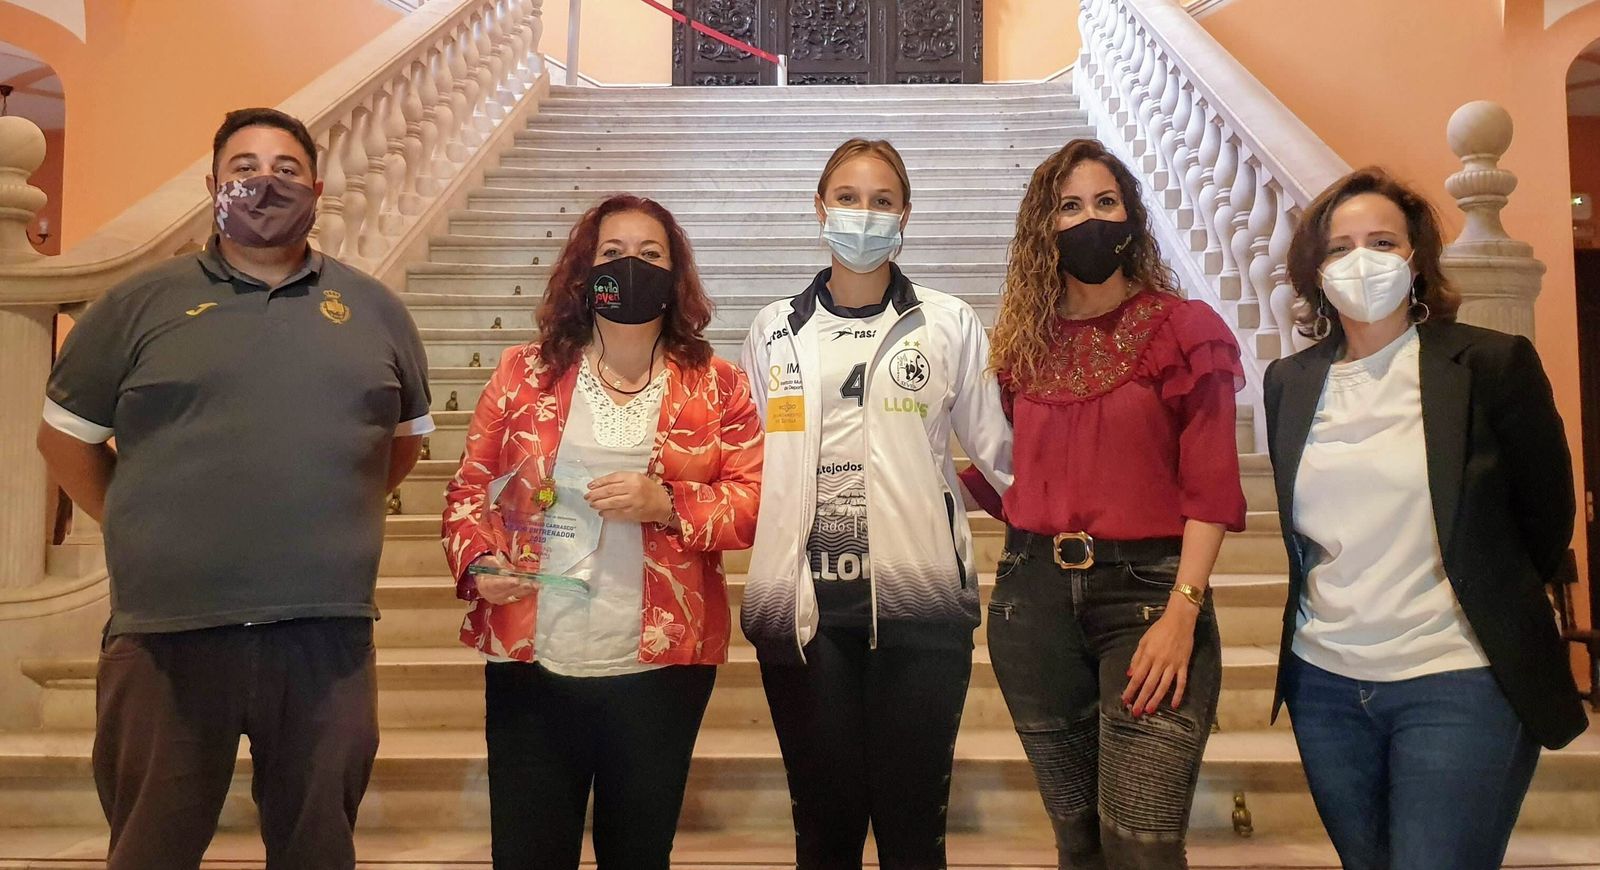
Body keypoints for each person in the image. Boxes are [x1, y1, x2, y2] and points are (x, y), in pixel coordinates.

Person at [35, 107, 433, 870]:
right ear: (211, 185)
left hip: (326, 639)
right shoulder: (136, 305)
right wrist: (139, 518)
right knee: (151, 850)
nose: (265, 182)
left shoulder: (375, 311)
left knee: (318, 849)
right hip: (166, 638)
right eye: (244, 167)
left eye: (286, 168)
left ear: (317, 188)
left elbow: (403, 443)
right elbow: (65, 441)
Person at [1264, 167, 1588, 870]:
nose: (1362, 260)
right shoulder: (1290, 383)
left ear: (1415, 261)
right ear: (1316, 271)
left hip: (1458, 675)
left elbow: (1546, 517)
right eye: (1341, 246)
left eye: (1382, 241)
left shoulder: (1490, 364)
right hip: (1325, 684)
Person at [441, 193, 762, 870]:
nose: (630, 266)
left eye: (651, 255)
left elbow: (755, 502)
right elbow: (470, 490)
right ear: (585, 272)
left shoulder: (718, 385)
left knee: (638, 855)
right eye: (612, 254)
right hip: (535, 661)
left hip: (657, 666)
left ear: (675, 277)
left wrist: (667, 503)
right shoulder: (522, 374)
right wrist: (480, 562)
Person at [969, 138, 1245, 869]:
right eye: (1068, 206)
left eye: (1104, 202)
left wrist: (1184, 609)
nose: (1089, 219)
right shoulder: (1019, 350)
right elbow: (999, 477)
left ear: (1131, 217)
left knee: (1143, 846)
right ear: (1042, 228)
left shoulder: (1184, 331)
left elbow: (1212, 490)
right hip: (1032, 607)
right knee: (1080, 845)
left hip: (1151, 600)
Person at [738, 138, 1014, 869]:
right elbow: (756, 461)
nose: (865, 215)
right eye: (849, 198)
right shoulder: (773, 331)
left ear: (906, 216)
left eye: (882, 201)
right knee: (823, 833)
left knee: (912, 832)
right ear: (820, 209)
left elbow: (1003, 456)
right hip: (800, 616)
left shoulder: (949, 324)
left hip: (920, 612)